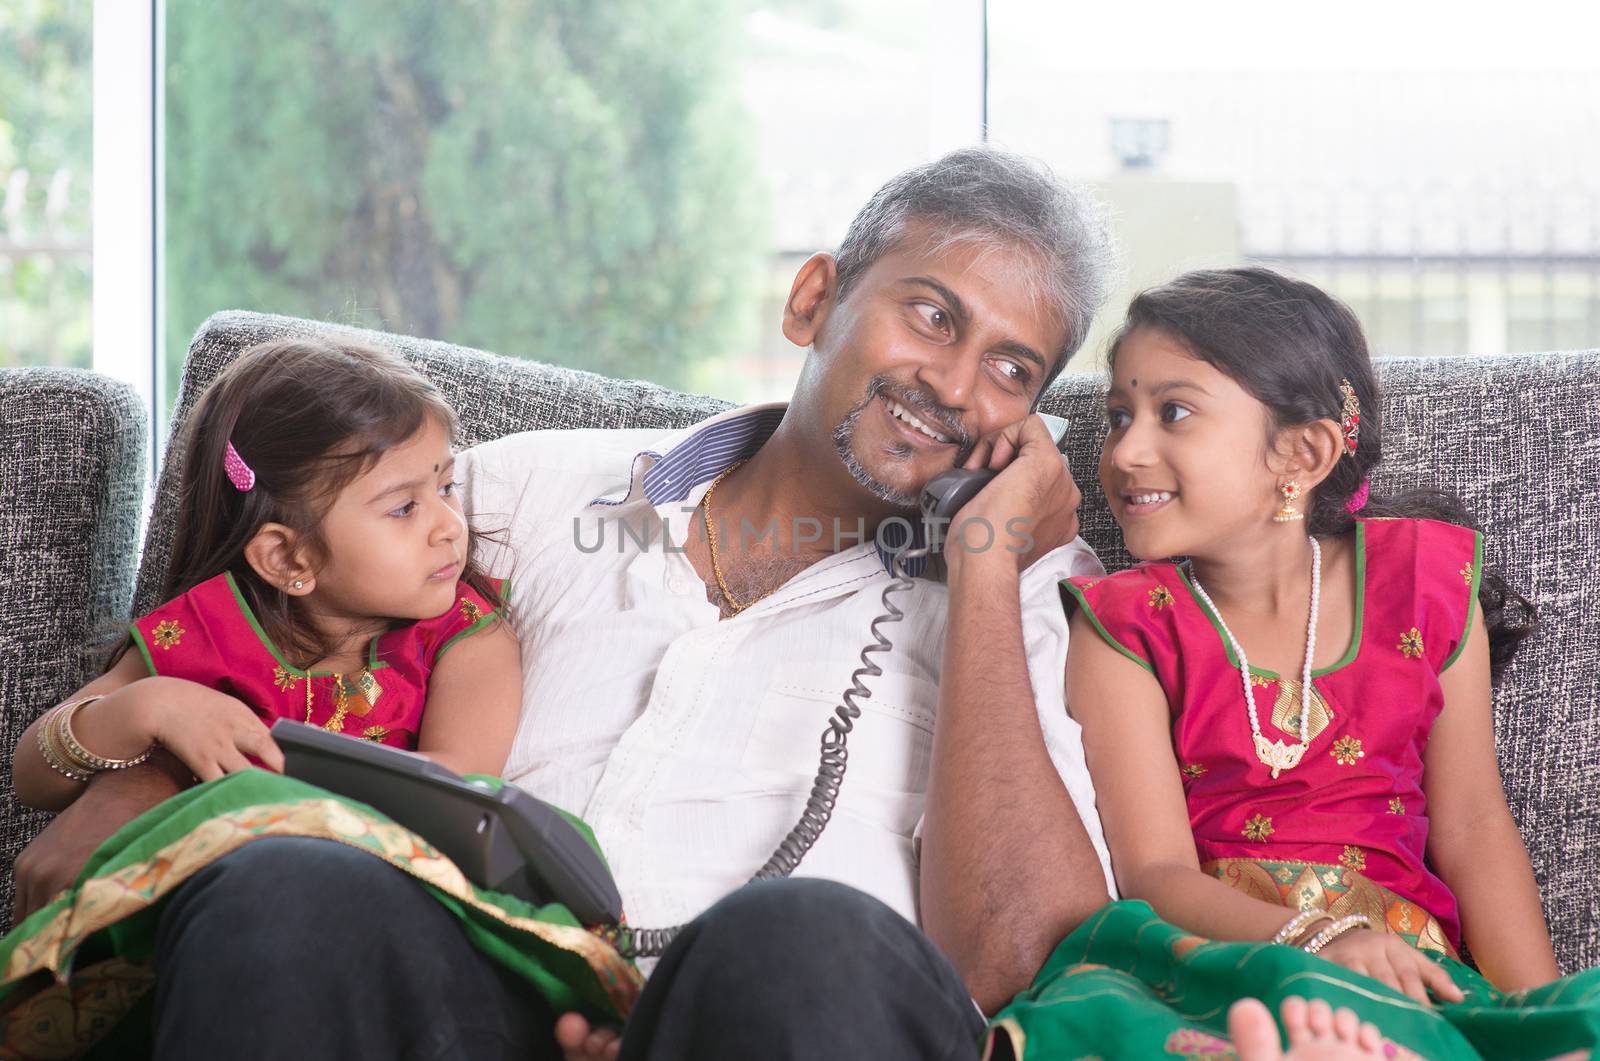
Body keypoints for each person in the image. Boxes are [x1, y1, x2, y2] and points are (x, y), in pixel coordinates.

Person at [9, 148, 1122, 1060]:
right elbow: (296, 591)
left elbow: (1016, 959)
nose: (957, 383)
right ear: (814, 297)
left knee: (806, 933)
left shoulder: (1023, 603)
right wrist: (156, 780)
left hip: (779, 1016)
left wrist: (983, 564)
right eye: (931, 315)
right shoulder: (532, 488)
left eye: (1012, 370)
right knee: (289, 888)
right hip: (481, 1003)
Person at [979, 268, 1600, 1059]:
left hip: (1400, 960)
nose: (1127, 450)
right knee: (1103, 1015)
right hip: (1221, 952)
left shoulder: (1426, 584)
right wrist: (1314, 939)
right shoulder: (1125, 626)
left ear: (1301, 452)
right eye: (1117, 417)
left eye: (1173, 412)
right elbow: (1155, 870)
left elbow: (1476, 828)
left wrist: (1533, 1017)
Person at [10, 338, 521, 822]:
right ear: (286, 559)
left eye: (447, 486)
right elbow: (32, 775)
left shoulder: (464, 635)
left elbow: (460, 795)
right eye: (404, 507)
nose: (452, 526)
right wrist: (150, 706)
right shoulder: (207, 631)